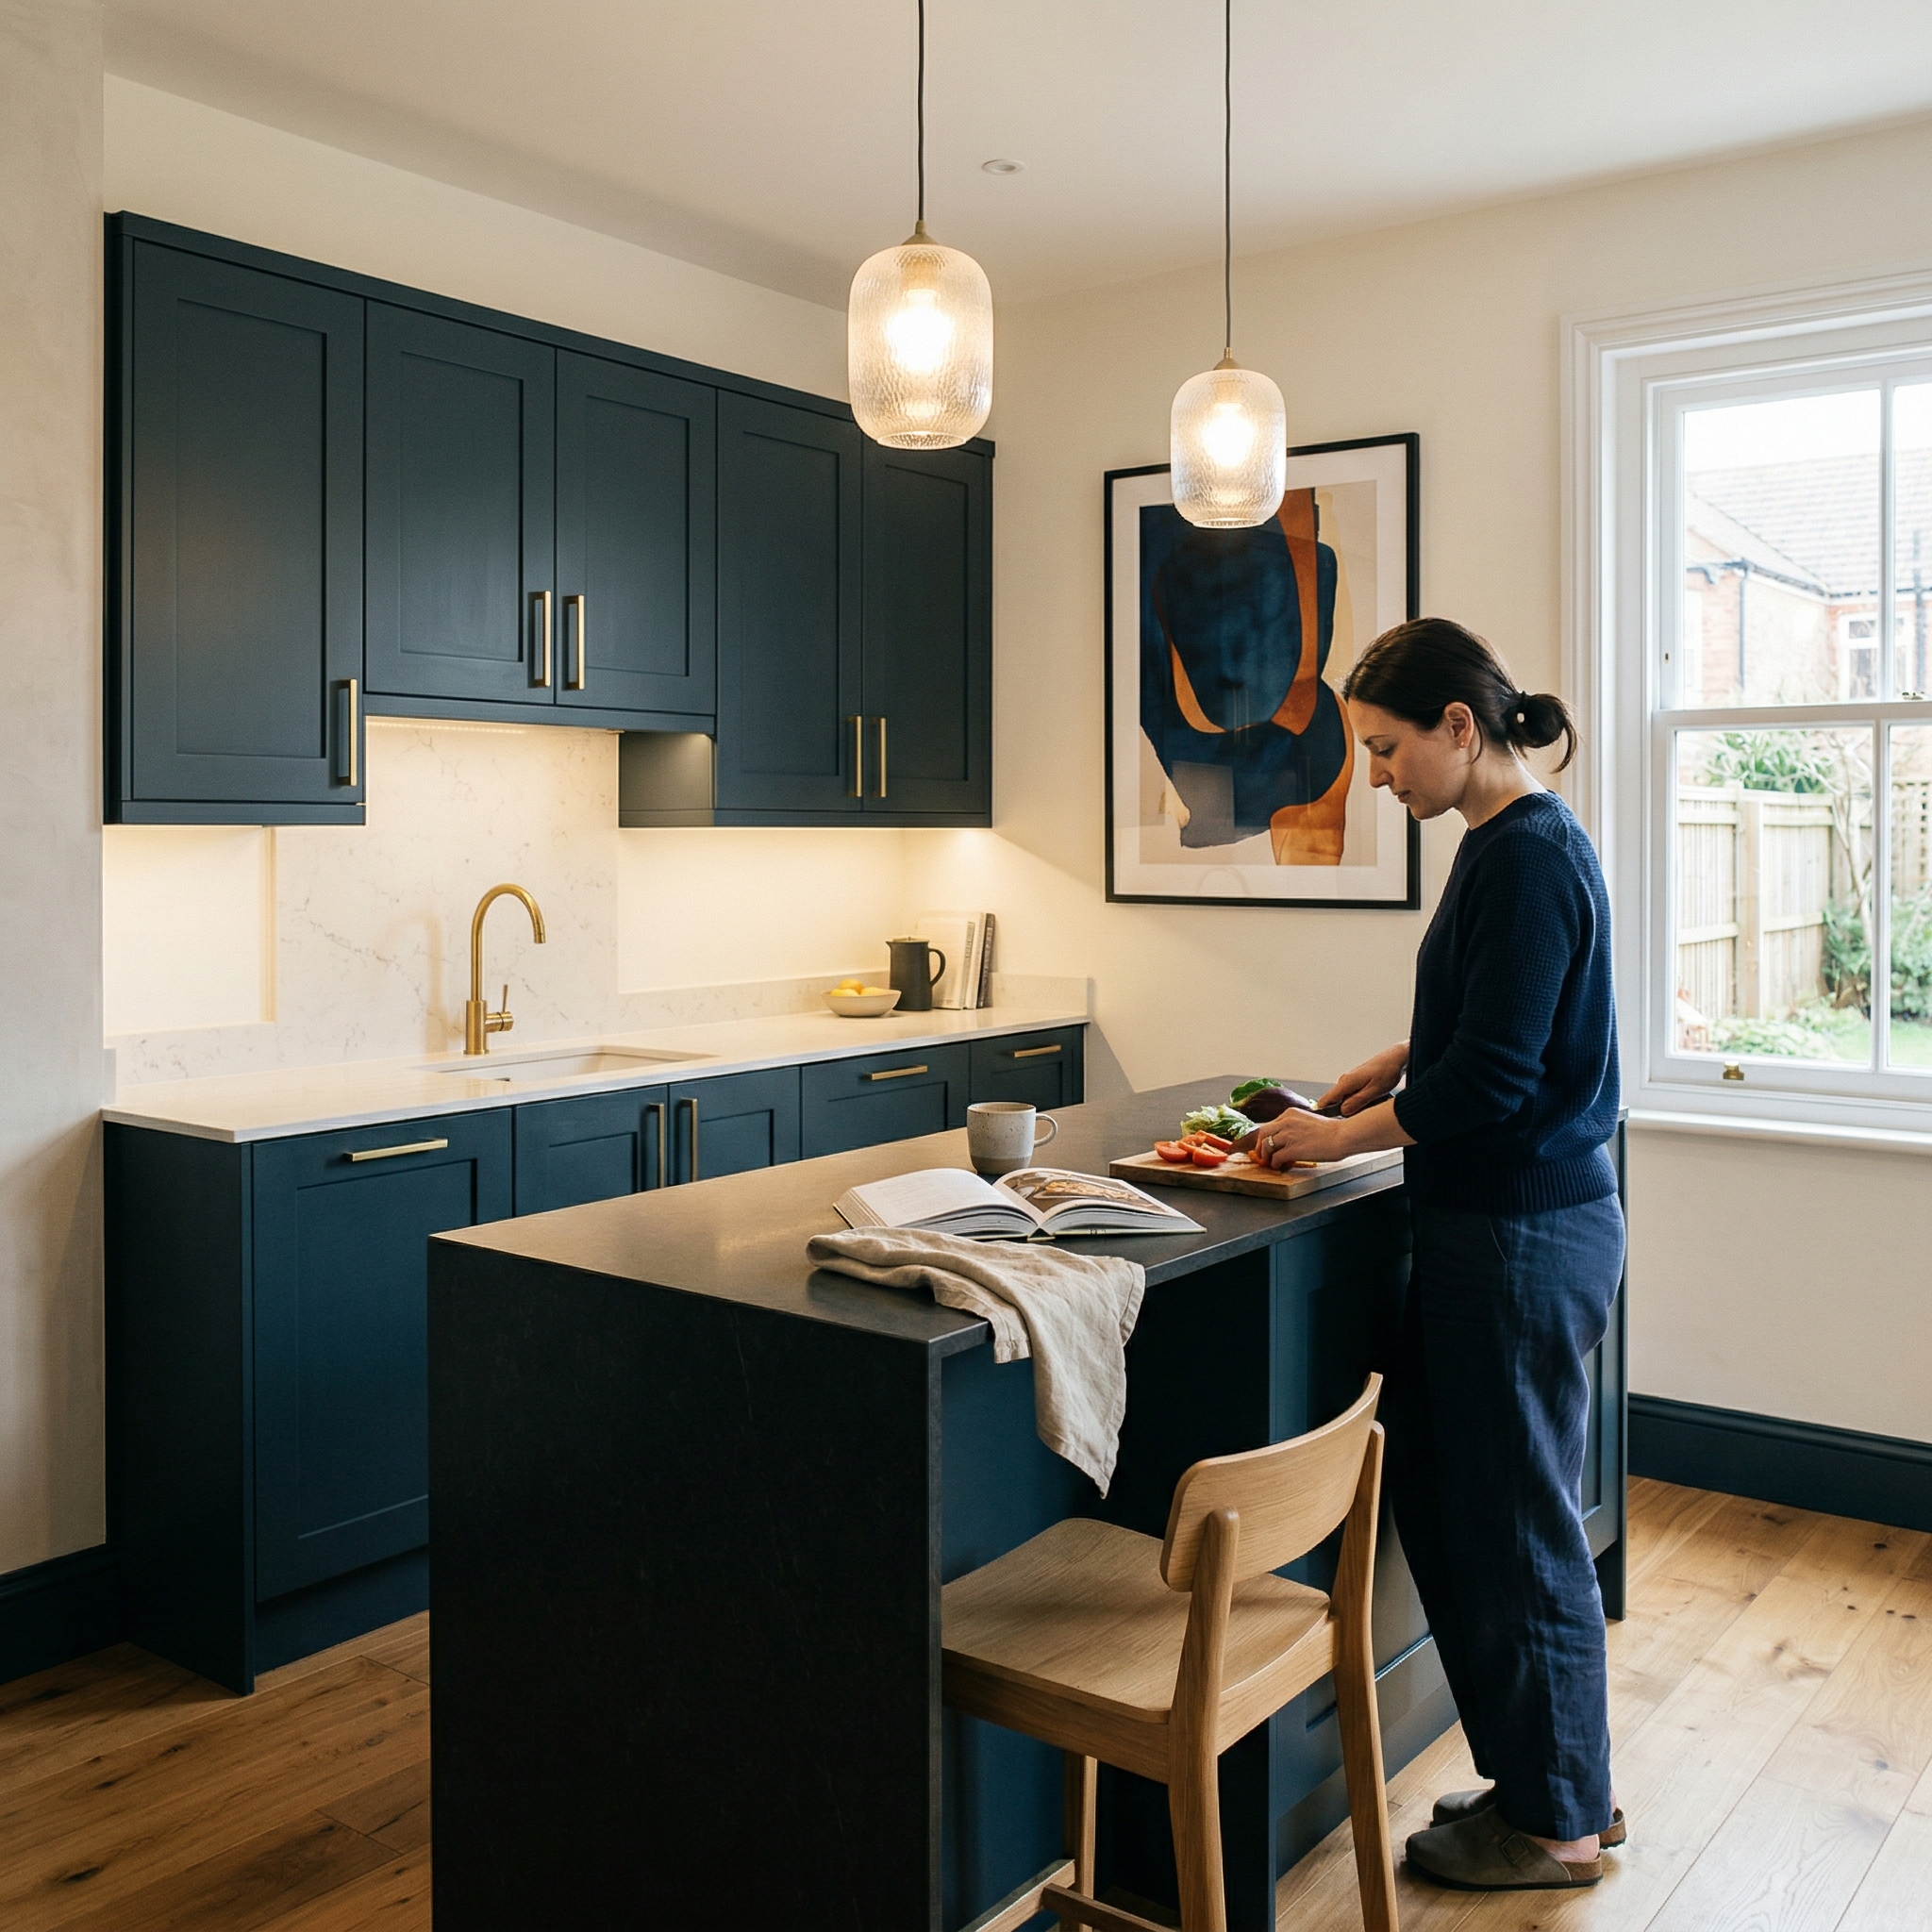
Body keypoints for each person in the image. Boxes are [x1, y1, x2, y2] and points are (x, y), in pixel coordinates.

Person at [1239, 616, 1624, 1892]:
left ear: (1462, 727)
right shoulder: (1509, 842)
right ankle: (1548, 1783)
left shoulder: (1524, 858)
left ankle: (1559, 1820)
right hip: (1505, 1228)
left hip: (1516, 1235)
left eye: (1388, 748)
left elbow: (1501, 1079)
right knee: (1470, 1511)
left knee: (1511, 1527)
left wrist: (1340, 1135)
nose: (1381, 775)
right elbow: (1502, 1023)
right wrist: (1397, 1058)